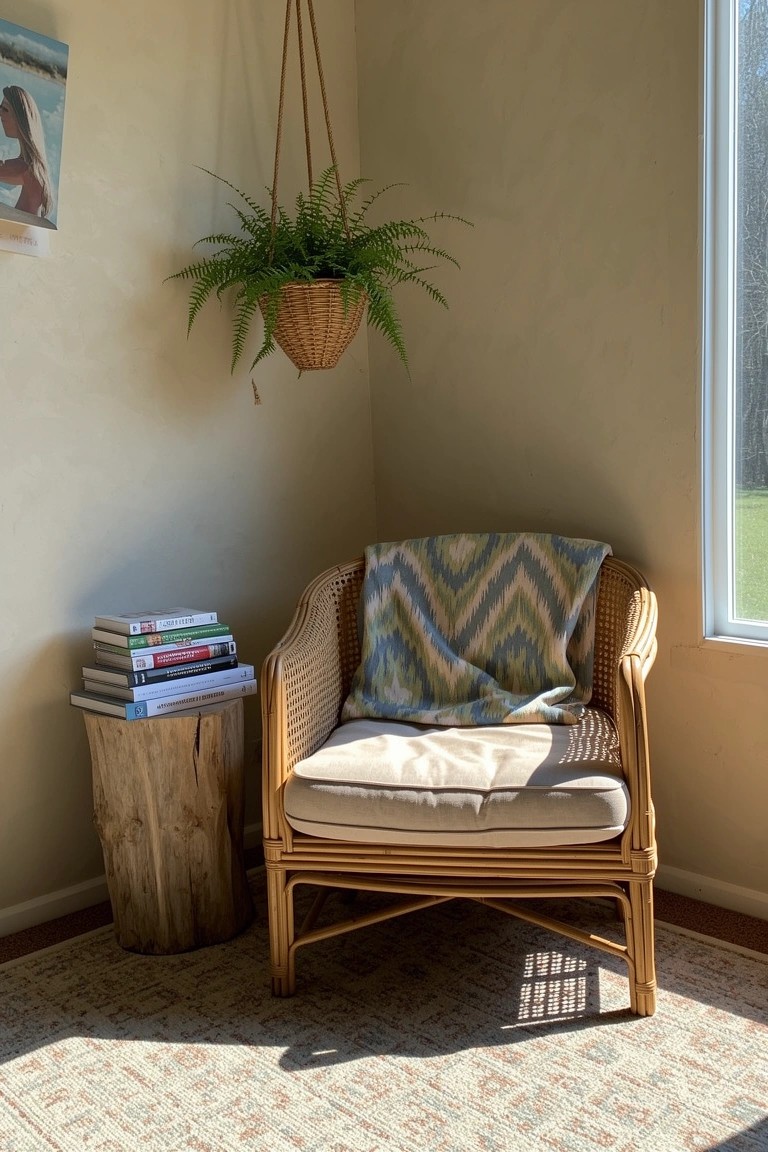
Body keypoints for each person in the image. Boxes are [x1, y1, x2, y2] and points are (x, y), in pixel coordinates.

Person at [0, 84, 52, 219]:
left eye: (5, 109)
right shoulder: (34, 166)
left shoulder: (25, 167)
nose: (0, 113)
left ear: (19, 118)